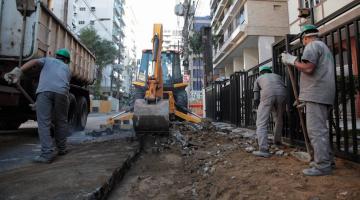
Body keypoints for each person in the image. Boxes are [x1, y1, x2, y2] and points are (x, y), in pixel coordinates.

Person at [281, 24, 335, 176]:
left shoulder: (312, 46)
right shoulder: (324, 47)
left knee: (316, 131)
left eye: (302, 41)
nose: (303, 43)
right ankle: (327, 160)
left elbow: (308, 68)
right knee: (321, 130)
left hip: (316, 94)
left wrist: (291, 61)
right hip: (322, 94)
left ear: (305, 37)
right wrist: (304, 97)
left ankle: (322, 165)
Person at [4, 48, 72, 163]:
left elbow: (34, 62)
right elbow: (60, 84)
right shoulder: (68, 69)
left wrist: (18, 71)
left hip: (44, 92)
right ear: (66, 60)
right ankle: (62, 148)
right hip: (62, 94)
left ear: (56, 56)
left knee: (44, 123)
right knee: (61, 121)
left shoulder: (48, 60)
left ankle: (47, 154)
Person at [252, 66, 287, 158]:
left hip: (267, 95)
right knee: (279, 119)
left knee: (261, 122)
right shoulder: (277, 76)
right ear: (269, 71)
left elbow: (256, 93)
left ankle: (263, 149)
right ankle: (277, 142)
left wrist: (256, 104)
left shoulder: (259, 78)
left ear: (261, 72)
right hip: (282, 94)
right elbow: (283, 86)